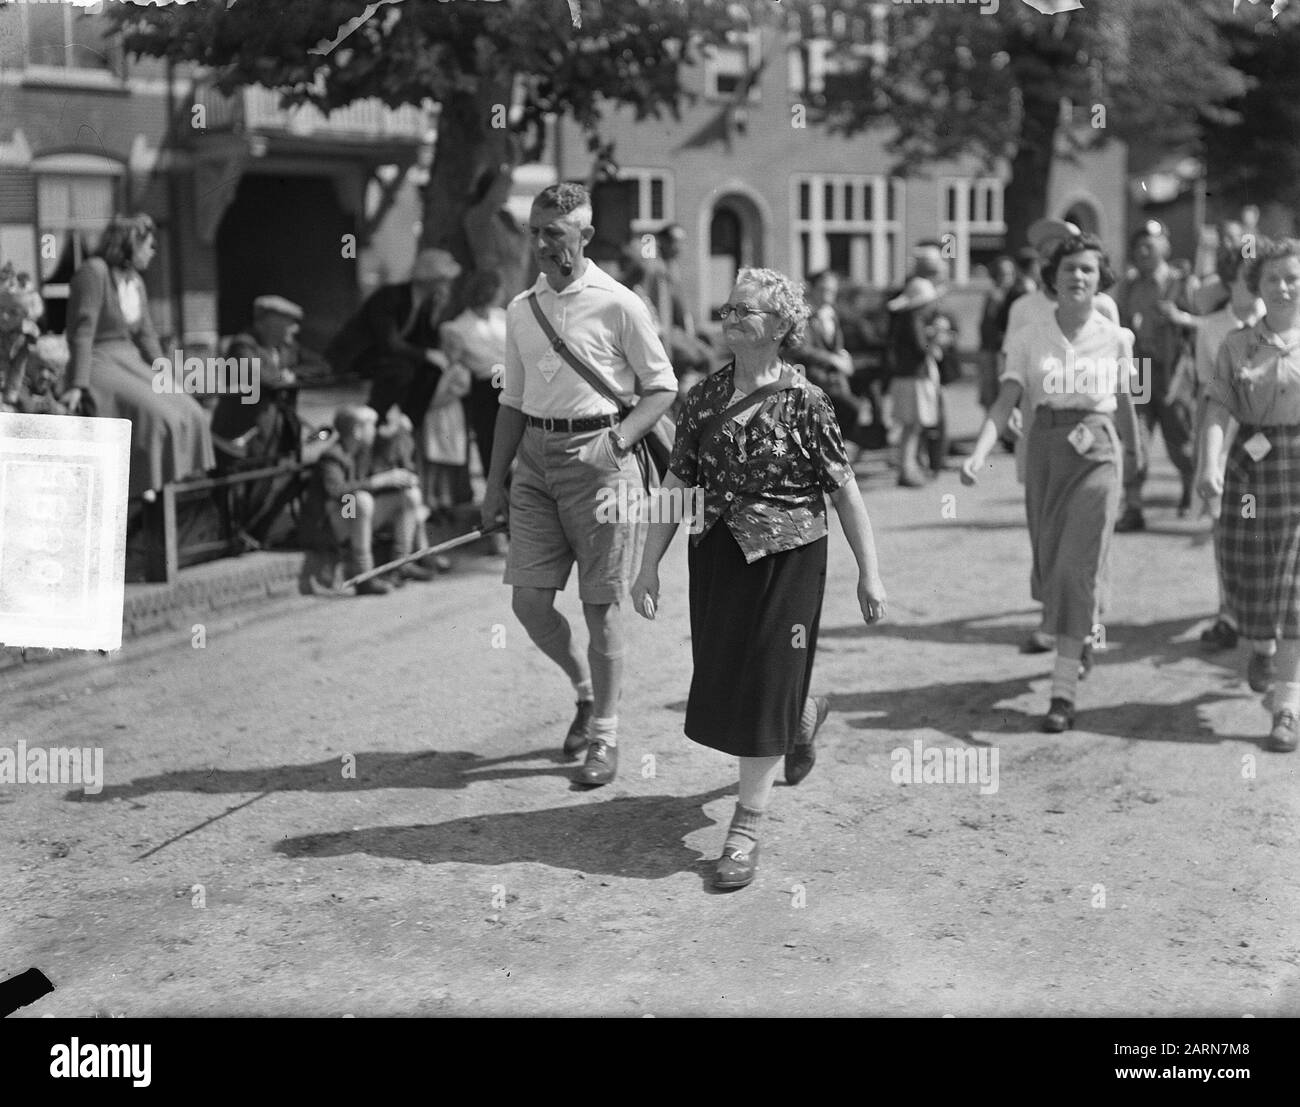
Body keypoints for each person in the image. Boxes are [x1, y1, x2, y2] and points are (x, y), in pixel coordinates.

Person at [630, 267, 887, 890]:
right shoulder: (702, 399)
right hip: (718, 552)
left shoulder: (808, 402)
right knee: (729, 679)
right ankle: (798, 720)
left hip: (791, 555)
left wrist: (868, 575)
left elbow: (846, 496)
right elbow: (677, 486)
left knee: (768, 676)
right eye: (728, 308)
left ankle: (744, 829)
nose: (731, 318)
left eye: (746, 310)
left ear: (780, 327)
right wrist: (646, 565)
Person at [480, 182, 678, 786]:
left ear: (584, 236)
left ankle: (606, 737)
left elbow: (662, 387)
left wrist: (619, 441)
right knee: (529, 602)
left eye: (554, 234)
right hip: (536, 463)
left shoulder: (620, 303)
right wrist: (494, 486)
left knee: (601, 609)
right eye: (534, 232)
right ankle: (586, 690)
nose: (540, 244)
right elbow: (512, 401)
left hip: (603, 460)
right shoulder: (521, 309)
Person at [962, 233, 1143, 733]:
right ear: (1053, 277)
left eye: (1088, 269)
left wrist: (1138, 456)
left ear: (1099, 278)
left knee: (1074, 567)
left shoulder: (1116, 337)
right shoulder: (1027, 335)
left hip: (1099, 452)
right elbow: (1005, 402)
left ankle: (1062, 693)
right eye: (1069, 269)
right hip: (1045, 451)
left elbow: (1126, 399)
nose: (1078, 277)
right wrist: (979, 454)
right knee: (1051, 567)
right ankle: (1080, 631)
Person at [1197, 238, 1300, 752]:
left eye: (1292, 277)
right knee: (1249, 571)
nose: (1283, 287)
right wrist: (1209, 464)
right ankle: (1259, 641)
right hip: (1252, 473)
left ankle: (1286, 706)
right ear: (1256, 287)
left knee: (1296, 585)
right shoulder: (1237, 346)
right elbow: (1217, 409)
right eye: (1273, 279)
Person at [1003, 219, 1122, 657]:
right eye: (1051, 253)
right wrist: (1013, 415)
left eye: (1068, 250)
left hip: (1092, 432)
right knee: (1048, 533)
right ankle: (1051, 618)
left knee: (1086, 535)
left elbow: (1126, 373)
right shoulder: (1022, 311)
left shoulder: (1104, 309)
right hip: (1040, 432)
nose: (1060, 260)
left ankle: (1086, 623)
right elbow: (1010, 376)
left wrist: (1131, 429)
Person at [60, 213, 214, 499]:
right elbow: (82, 332)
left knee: (191, 411)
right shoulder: (94, 272)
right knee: (159, 417)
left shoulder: (136, 282)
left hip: (129, 359)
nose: (152, 252)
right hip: (100, 362)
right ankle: (145, 484)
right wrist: (76, 384)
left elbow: (146, 335)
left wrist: (166, 373)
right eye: (149, 245)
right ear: (131, 243)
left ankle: (180, 483)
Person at [1175, 248, 1265, 656]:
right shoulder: (1212, 328)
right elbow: (1206, 393)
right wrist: (1202, 455)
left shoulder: (1283, 318)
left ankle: (1265, 611)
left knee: (1268, 523)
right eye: (1244, 275)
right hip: (1228, 437)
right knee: (1227, 525)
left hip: (1274, 441)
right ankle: (1228, 611)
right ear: (1228, 280)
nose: (1253, 282)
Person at [1114, 219, 1199, 529]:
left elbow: (1200, 325)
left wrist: (1178, 317)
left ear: (1165, 246)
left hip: (1173, 372)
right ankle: (1133, 507)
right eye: (1138, 247)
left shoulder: (1183, 283)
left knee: (1181, 440)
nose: (1143, 251)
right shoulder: (1128, 286)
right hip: (1140, 371)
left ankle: (1192, 489)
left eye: (1150, 245)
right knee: (1135, 437)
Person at [300, 404, 435, 596]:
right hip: (334, 524)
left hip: (359, 519)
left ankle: (402, 564)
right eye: (370, 425)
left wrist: (397, 476)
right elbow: (337, 490)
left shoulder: (364, 451)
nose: (375, 430)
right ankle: (364, 576)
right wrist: (376, 482)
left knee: (410, 496)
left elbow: (383, 471)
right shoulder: (332, 456)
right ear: (357, 431)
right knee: (361, 500)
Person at [353, 248, 462, 430]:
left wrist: (437, 310)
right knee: (400, 371)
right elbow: (389, 342)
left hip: (393, 358)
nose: (447, 286)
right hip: (365, 355)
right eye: (444, 281)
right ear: (432, 279)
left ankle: (409, 425)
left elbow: (426, 341)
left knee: (431, 371)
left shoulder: (424, 304)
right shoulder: (391, 296)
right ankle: (377, 421)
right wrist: (426, 354)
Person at [886, 241, 952, 487]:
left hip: (910, 374)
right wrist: (935, 338)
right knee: (912, 425)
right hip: (914, 375)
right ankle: (907, 468)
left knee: (912, 425)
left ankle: (909, 466)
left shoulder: (909, 317)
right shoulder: (913, 317)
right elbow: (919, 346)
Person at [787, 269, 866, 456]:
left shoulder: (831, 313)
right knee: (848, 410)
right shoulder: (803, 315)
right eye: (823, 289)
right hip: (812, 379)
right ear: (812, 289)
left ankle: (833, 455)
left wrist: (842, 355)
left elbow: (835, 344)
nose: (828, 294)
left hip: (835, 380)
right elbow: (800, 348)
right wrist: (832, 359)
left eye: (832, 290)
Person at [978, 255, 1018, 412]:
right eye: (1002, 274)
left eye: (1009, 274)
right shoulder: (992, 295)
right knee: (989, 390)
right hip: (990, 348)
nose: (1006, 278)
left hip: (1007, 349)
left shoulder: (1018, 295)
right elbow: (987, 324)